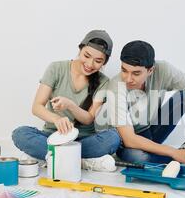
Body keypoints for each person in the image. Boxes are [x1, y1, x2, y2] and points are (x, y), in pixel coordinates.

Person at [12, 30, 121, 171]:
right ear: (80, 49)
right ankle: (82, 162)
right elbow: (37, 107)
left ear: (104, 62)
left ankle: (51, 157)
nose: (90, 64)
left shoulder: (103, 82)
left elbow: (88, 119)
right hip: (53, 136)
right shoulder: (56, 68)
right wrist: (56, 119)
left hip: (83, 140)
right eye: (86, 56)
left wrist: (70, 105)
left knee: (113, 138)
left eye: (98, 61)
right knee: (20, 134)